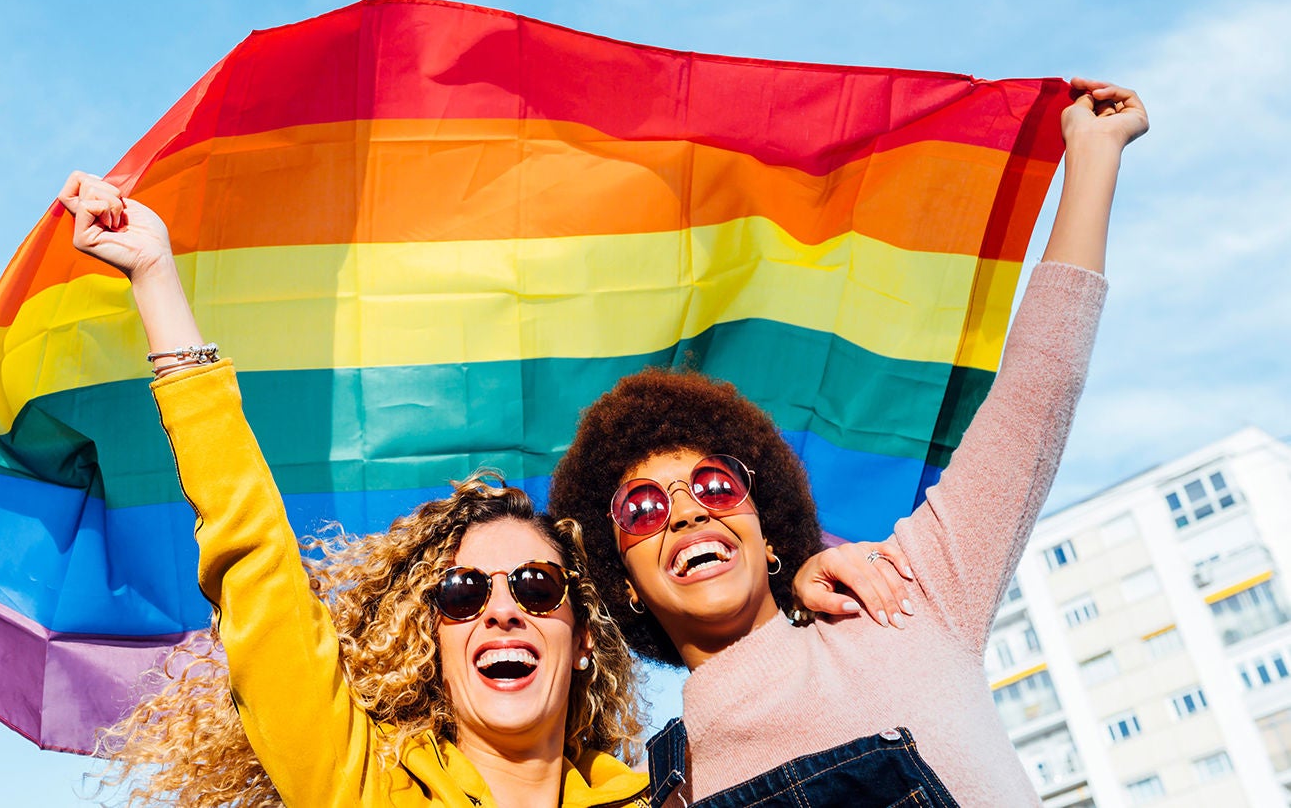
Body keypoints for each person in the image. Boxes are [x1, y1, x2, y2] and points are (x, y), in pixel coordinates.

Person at [58, 173, 915, 807]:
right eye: (463, 594)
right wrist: (155, 282)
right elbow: (257, 567)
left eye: (537, 588)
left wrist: (794, 588)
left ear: (582, 639)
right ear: (431, 641)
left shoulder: (671, 794)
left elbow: (799, 722)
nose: (501, 610)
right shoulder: (364, 788)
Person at [547, 78, 1149, 807]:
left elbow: (1037, 389)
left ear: (767, 532)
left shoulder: (910, 600)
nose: (686, 513)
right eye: (641, 508)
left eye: (714, 486)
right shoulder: (660, 796)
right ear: (626, 585)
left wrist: (1093, 153)